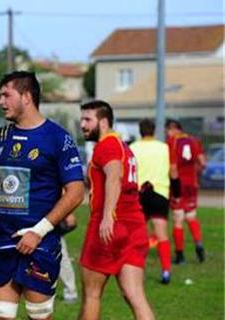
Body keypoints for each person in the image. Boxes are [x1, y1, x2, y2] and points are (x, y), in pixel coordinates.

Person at [0, 71, 85, 320]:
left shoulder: (58, 138)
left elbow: (76, 192)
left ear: (26, 97)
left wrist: (39, 231)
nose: (1, 101)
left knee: (39, 317)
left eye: (6, 95)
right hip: (2, 239)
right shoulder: (1, 136)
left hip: (40, 244)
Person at [78, 100, 154, 320]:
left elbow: (114, 176)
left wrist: (107, 217)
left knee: (91, 295)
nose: (82, 125)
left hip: (110, 226)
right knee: (135, 296)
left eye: (87, 120)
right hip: (135, 226)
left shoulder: (107, 145)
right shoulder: (124, 147)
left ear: (103, 122)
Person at [130, 118, 172, 284]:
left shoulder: (133, 147)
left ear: (140, 131)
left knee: (138, 235)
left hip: (139, 193)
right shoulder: (164, 148)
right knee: (161, 233)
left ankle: (139, 272)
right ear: (154, 130)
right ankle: (166, 271)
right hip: (160, 192)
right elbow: (171, 169)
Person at [165, 119, 207, 264]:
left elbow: (173, 167)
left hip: (179, 184)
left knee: (178, 218)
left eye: (168, 131)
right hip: (192, 185)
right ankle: (199, 244)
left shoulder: (172, 142)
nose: (167, 134)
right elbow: (203, 162)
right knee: (191, 215)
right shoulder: (194, 141)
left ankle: (180, 255)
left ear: (174, 129)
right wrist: (196, 175)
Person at [57, 213, 79, 303]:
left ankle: (71, 294)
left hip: (48, 217)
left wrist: (68, 212)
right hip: (23, 214)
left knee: (61, 258)